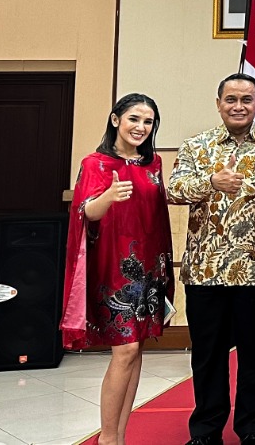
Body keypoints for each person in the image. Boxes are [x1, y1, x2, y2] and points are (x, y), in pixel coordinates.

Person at [167, 73, 255, 445]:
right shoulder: (196, 146)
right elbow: (173, 190)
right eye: (231, 99)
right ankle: (207, 430)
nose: (238, 106)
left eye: (246, 99)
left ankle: (251, 429)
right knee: (208, 356)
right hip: (205, 270)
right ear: (218, 103)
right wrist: (211, 182)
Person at [60, 93, 174, 445]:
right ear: (115, 120)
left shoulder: (153, 164)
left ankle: (119, 436)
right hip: (114, 268)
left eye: (148, 121)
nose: (141, 127)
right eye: (134, 119)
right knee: (124, 351)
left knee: (136, 350)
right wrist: (107, 198)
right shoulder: (95, 163)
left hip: (149, 268)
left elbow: (157, 216)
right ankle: (107, 439)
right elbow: (86, 213)